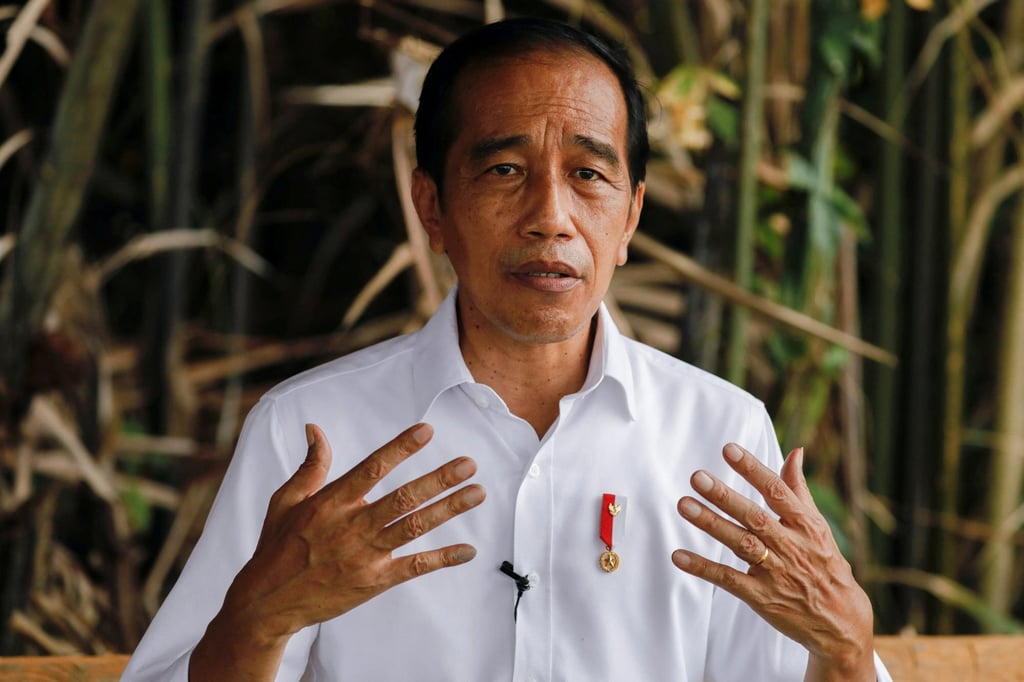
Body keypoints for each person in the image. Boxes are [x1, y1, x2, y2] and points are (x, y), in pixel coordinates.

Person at [123, 18, 890, 681]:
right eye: (504, 170)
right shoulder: (310, 432)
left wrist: (848, 649)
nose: (550, 215)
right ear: (432, 206)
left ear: (630, 218)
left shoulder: (719, 435)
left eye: (588, 174)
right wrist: (259, 621)